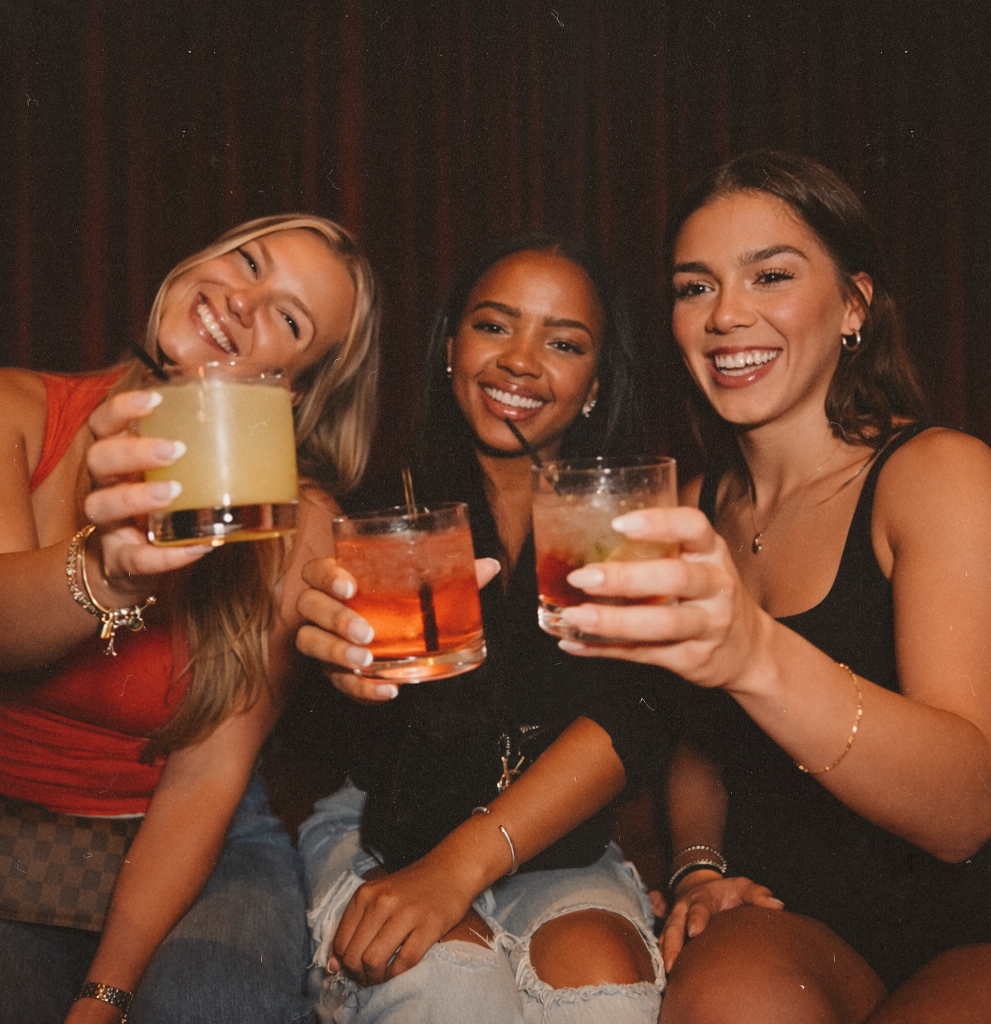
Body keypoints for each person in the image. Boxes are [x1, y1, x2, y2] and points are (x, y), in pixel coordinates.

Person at [552, 151, 991, 1022]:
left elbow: (966, 812)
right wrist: (699, 867)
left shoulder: (938, 475)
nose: (727, 315)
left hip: (968, 924)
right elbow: (697, 741)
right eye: (694, 287)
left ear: (854, 306)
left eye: (771, 276)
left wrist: (752, 651)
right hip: (792, 918)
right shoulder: (687, 507)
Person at [0, 214, 380, 1024]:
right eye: (246, 262)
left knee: (211, 1003)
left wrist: (104, 994)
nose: (241, 300)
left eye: (289, 318)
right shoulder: (5, 408)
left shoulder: (295, 524)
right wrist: (105, 571)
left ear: (293, 389)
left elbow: (206, 777)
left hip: (204, 840)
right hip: (2, 838)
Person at [294, 234, 694, 1022]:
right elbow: (313, 727)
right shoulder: (370, 514)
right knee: (451, 987)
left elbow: (633, 716)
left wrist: (460, 868)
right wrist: (342, 673)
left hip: (561, 840)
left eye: (564, 341)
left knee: (603, 994)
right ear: (450, 349)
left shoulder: (615, 516)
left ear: (594, 384)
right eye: (493, 326)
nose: (520, 359)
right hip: (384, 832)